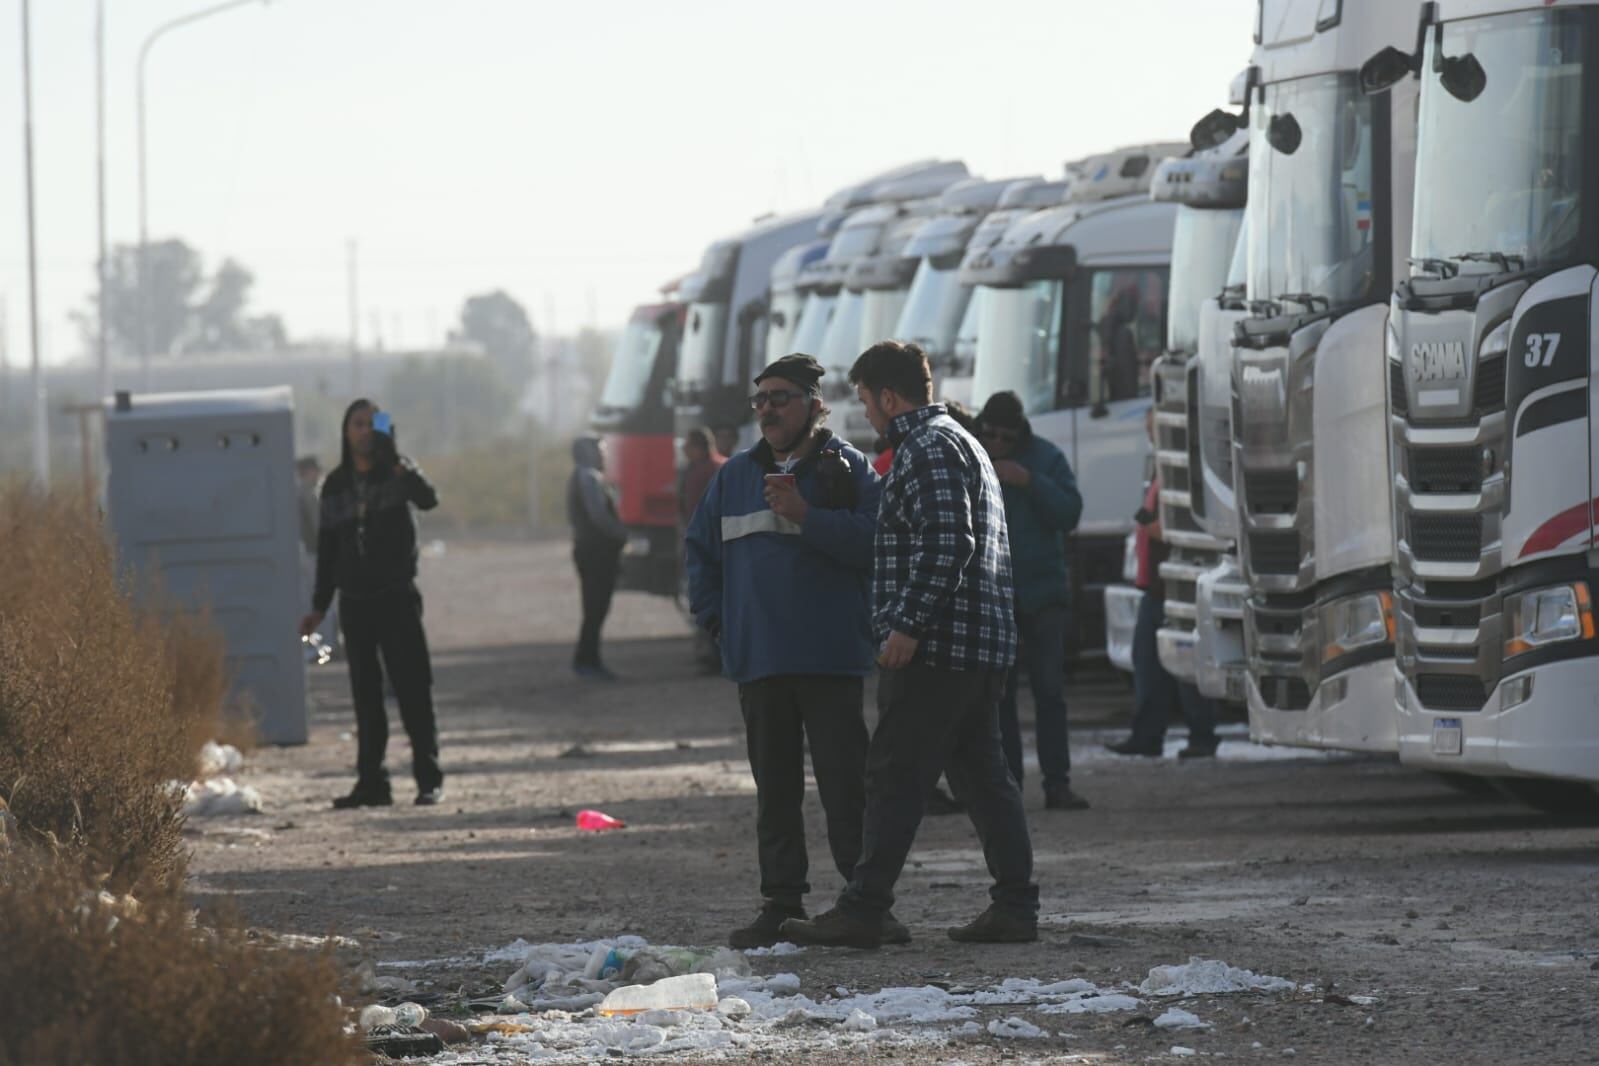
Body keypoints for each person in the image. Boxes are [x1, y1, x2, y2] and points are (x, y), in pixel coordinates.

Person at [783, 341, 1038, 949]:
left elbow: (949, 542)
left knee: (894, 774)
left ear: (889, 397)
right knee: (983, 778)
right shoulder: (958, 439)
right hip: (975, 646)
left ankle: (865, 907)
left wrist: (908, 625)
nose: (867, 415)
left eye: (868, 401)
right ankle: (1015, 906)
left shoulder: (927, 447)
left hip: (938, 650)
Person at [685, 354, 899, 949]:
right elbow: (699, 554)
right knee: (774, 788)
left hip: (830, 657)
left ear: (813, 404)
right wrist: (718, 623)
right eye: (761, 400)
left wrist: (808, 516)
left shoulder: (850, 471)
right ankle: (780, 904)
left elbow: (877, 546)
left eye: (781, 397)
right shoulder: (732, 478)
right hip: (761, 659)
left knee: (845, 785)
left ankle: (866, 905)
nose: (768, 409)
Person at [300, 400, 444, 809]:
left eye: (371, 424)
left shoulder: (398, 473)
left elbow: (429, 499)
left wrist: (396, 459)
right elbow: (328, 550)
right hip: (356, 604)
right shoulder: (336, 485)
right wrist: (319, 606)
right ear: (346, 432)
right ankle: (372, 783)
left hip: (396, 597)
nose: (364, 431)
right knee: (366, 696)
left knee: (413, 688)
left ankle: (428, 779)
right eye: (357, 424)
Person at [975, 391, 1088, 810]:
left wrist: (1028, 481)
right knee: (998, 698)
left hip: (1043, 595)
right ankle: (1009, 786)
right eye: (989, 435)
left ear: (1019, 434)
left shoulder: (1046, 458)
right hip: (996, 595)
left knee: (1049, 693)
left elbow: (1070, 513)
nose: (996, 443)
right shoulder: (975, 457)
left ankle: (1057, 784)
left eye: (1003, 437)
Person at [1106, 412, 1219, 758]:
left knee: (1182, 663)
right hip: (1155, 582)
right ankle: (1150, 735)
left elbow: (1175, 524)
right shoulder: (1162, 466)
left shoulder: (1176, 468)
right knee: (1149, 663)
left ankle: (1199, 736)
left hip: (1170, 582)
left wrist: (1148, 523)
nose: (1151, 435)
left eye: (1153, 428)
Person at [568, 436, 629, 681]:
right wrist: (621, 535)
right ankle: (587, 661)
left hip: (590, 550)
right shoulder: (588, 477)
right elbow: (600, 517)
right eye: (601, 450)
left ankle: (589, 659)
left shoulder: (586, 476)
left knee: (594, 608)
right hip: (596, 553)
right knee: (595, 608)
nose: (605, 455)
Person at [678, 428, 724, 523]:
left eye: (688, 444)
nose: (684, 448)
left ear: (698, 448)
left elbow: (693, 505)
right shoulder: (724, 464)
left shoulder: (704, 470)